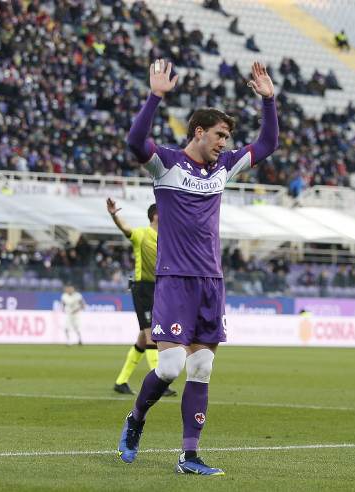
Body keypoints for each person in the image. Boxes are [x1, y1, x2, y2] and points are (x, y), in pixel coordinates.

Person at [118, 59, 278, 475]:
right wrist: (155, 97)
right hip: (173, 281)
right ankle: (136, 419)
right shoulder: (166, 163)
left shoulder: (223, 169)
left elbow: (267, 145)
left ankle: (189, 455)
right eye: (219, 135)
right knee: (169, 366)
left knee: (203, 367)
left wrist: (270, 102)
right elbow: (135, 143)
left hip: (211, 282)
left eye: (228, 136)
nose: (225, 142)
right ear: (198, 132)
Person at [107, 198, 177, 398]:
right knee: (152, 335)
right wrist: (114, 214)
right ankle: (160, 383)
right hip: (143, 289)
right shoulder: (141, 234)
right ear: (156, 215)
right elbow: (125, 228)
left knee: (143, 338)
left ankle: (121, 381)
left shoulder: (166, 238)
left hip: (160, 288)